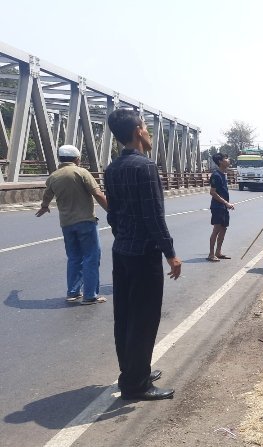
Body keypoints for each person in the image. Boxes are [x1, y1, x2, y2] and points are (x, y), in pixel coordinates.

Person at [104, 108, 182, 401]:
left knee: (124, 315)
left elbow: (113, 215)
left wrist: (124, 238)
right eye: (146, 128)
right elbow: (154, 217)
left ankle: (133, 370)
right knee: (145, 318)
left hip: (122, 251)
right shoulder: (145, 167)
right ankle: (136, 385)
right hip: (143, 254)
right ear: (138, 130)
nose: (149, 132)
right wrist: (170, 254)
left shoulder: (112, 169)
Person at [36, 144, 109, 304]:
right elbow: (97, 193)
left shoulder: (54, 176)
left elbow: (47, 195)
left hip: (67, 224)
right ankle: (90, 295)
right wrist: (112, 211)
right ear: (77, 159)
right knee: (91, 257)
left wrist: (44, 207)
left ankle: (73, 292)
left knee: (74, 257)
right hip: (85, 222)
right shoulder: (81, 172)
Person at [207, 152, 235, 262]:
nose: (228, 160)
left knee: (223, 228)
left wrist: (227, 204)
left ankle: (218, 252)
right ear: (220, 161)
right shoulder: (216, 175)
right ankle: (211, 254)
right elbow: (212, 192)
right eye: (226, 158)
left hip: (223, 206)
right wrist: (226, 203)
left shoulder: (223, 174)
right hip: (217, 207)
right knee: (216, 229)